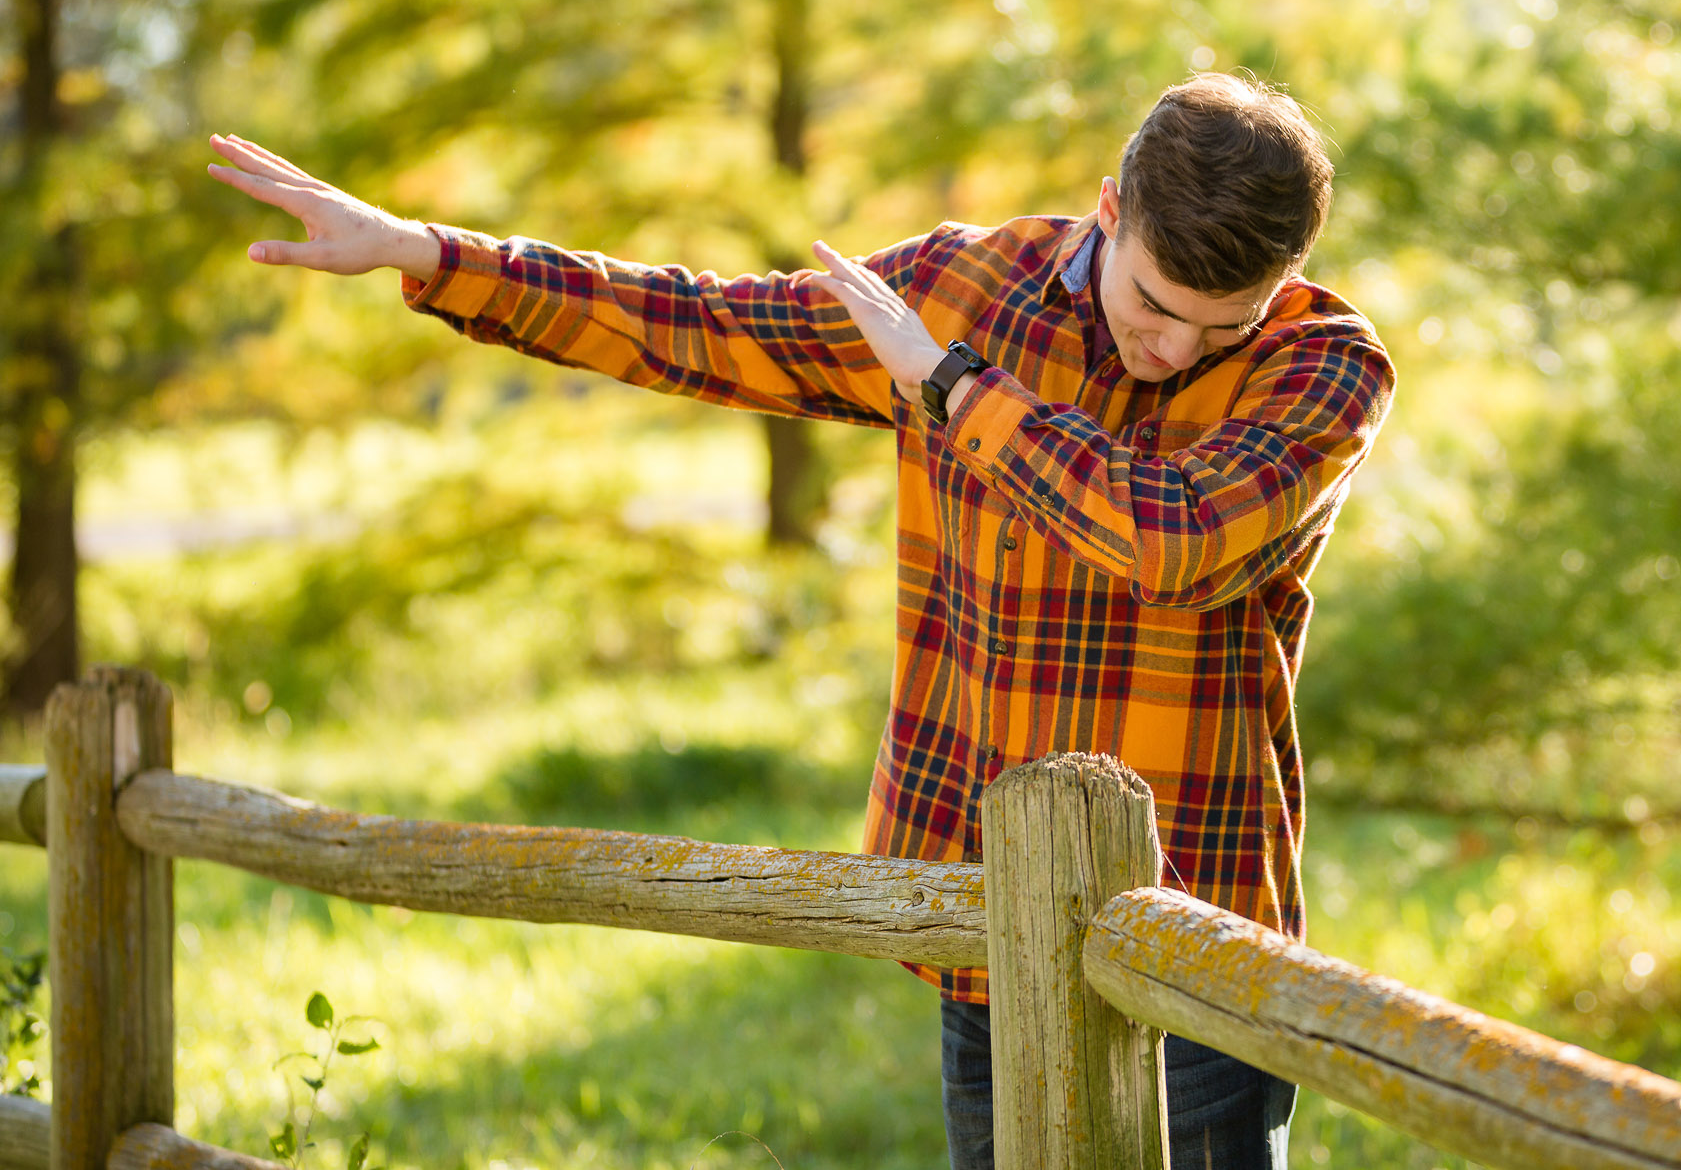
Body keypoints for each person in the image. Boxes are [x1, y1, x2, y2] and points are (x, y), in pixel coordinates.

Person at [206, 72, 1395, 1169]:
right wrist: (431, 250)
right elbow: (707, 324)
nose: (1172, 345)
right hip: (984, 907)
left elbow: (1169, 538)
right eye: (1153, 302)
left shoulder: (1325, 363)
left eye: (1219, 321)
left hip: (1192, 920)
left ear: (1280, 285)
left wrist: (951, 387)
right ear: (1106, 210)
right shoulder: (966, 287)